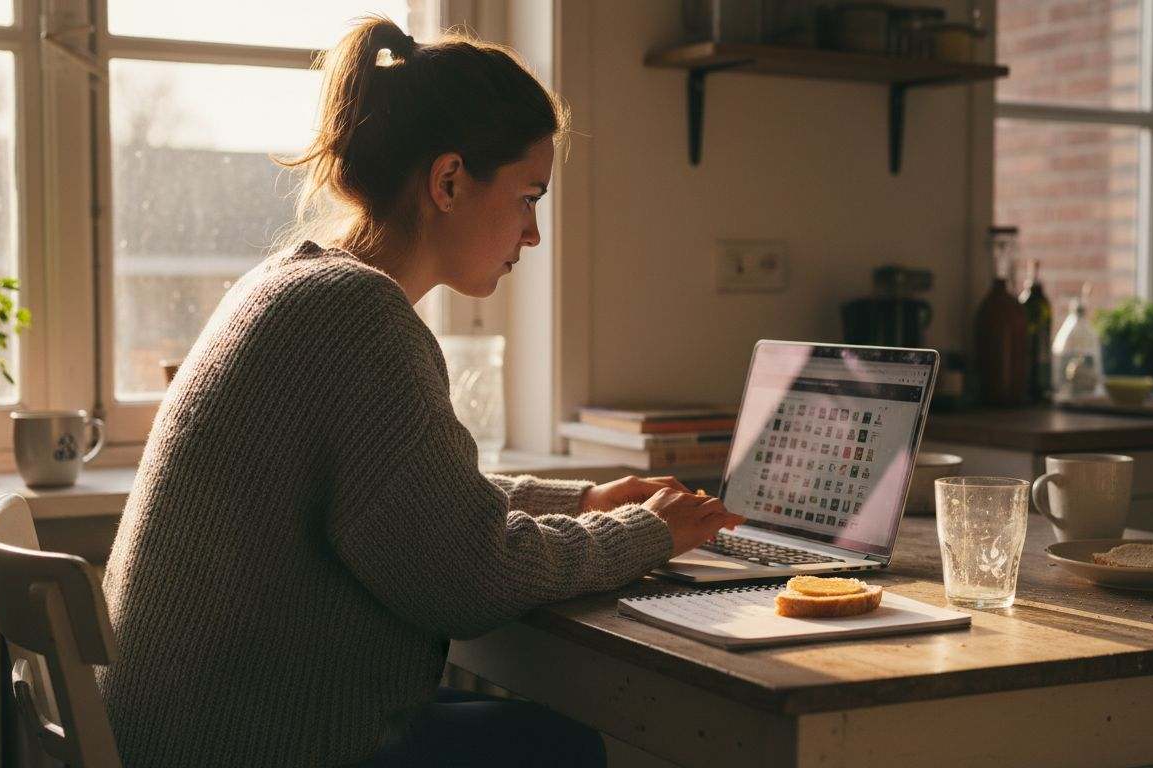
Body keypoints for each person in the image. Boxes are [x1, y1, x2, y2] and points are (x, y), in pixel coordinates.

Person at [96, 17, 744, 768]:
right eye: (528, 197)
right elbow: (470, 579)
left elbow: (414, 496)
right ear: (448, 181)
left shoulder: (292, 283)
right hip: (243, 747)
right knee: (557, 749)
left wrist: (582, 502)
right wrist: (646, 533)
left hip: (188, 729)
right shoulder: (356, 315)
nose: (533, 234)